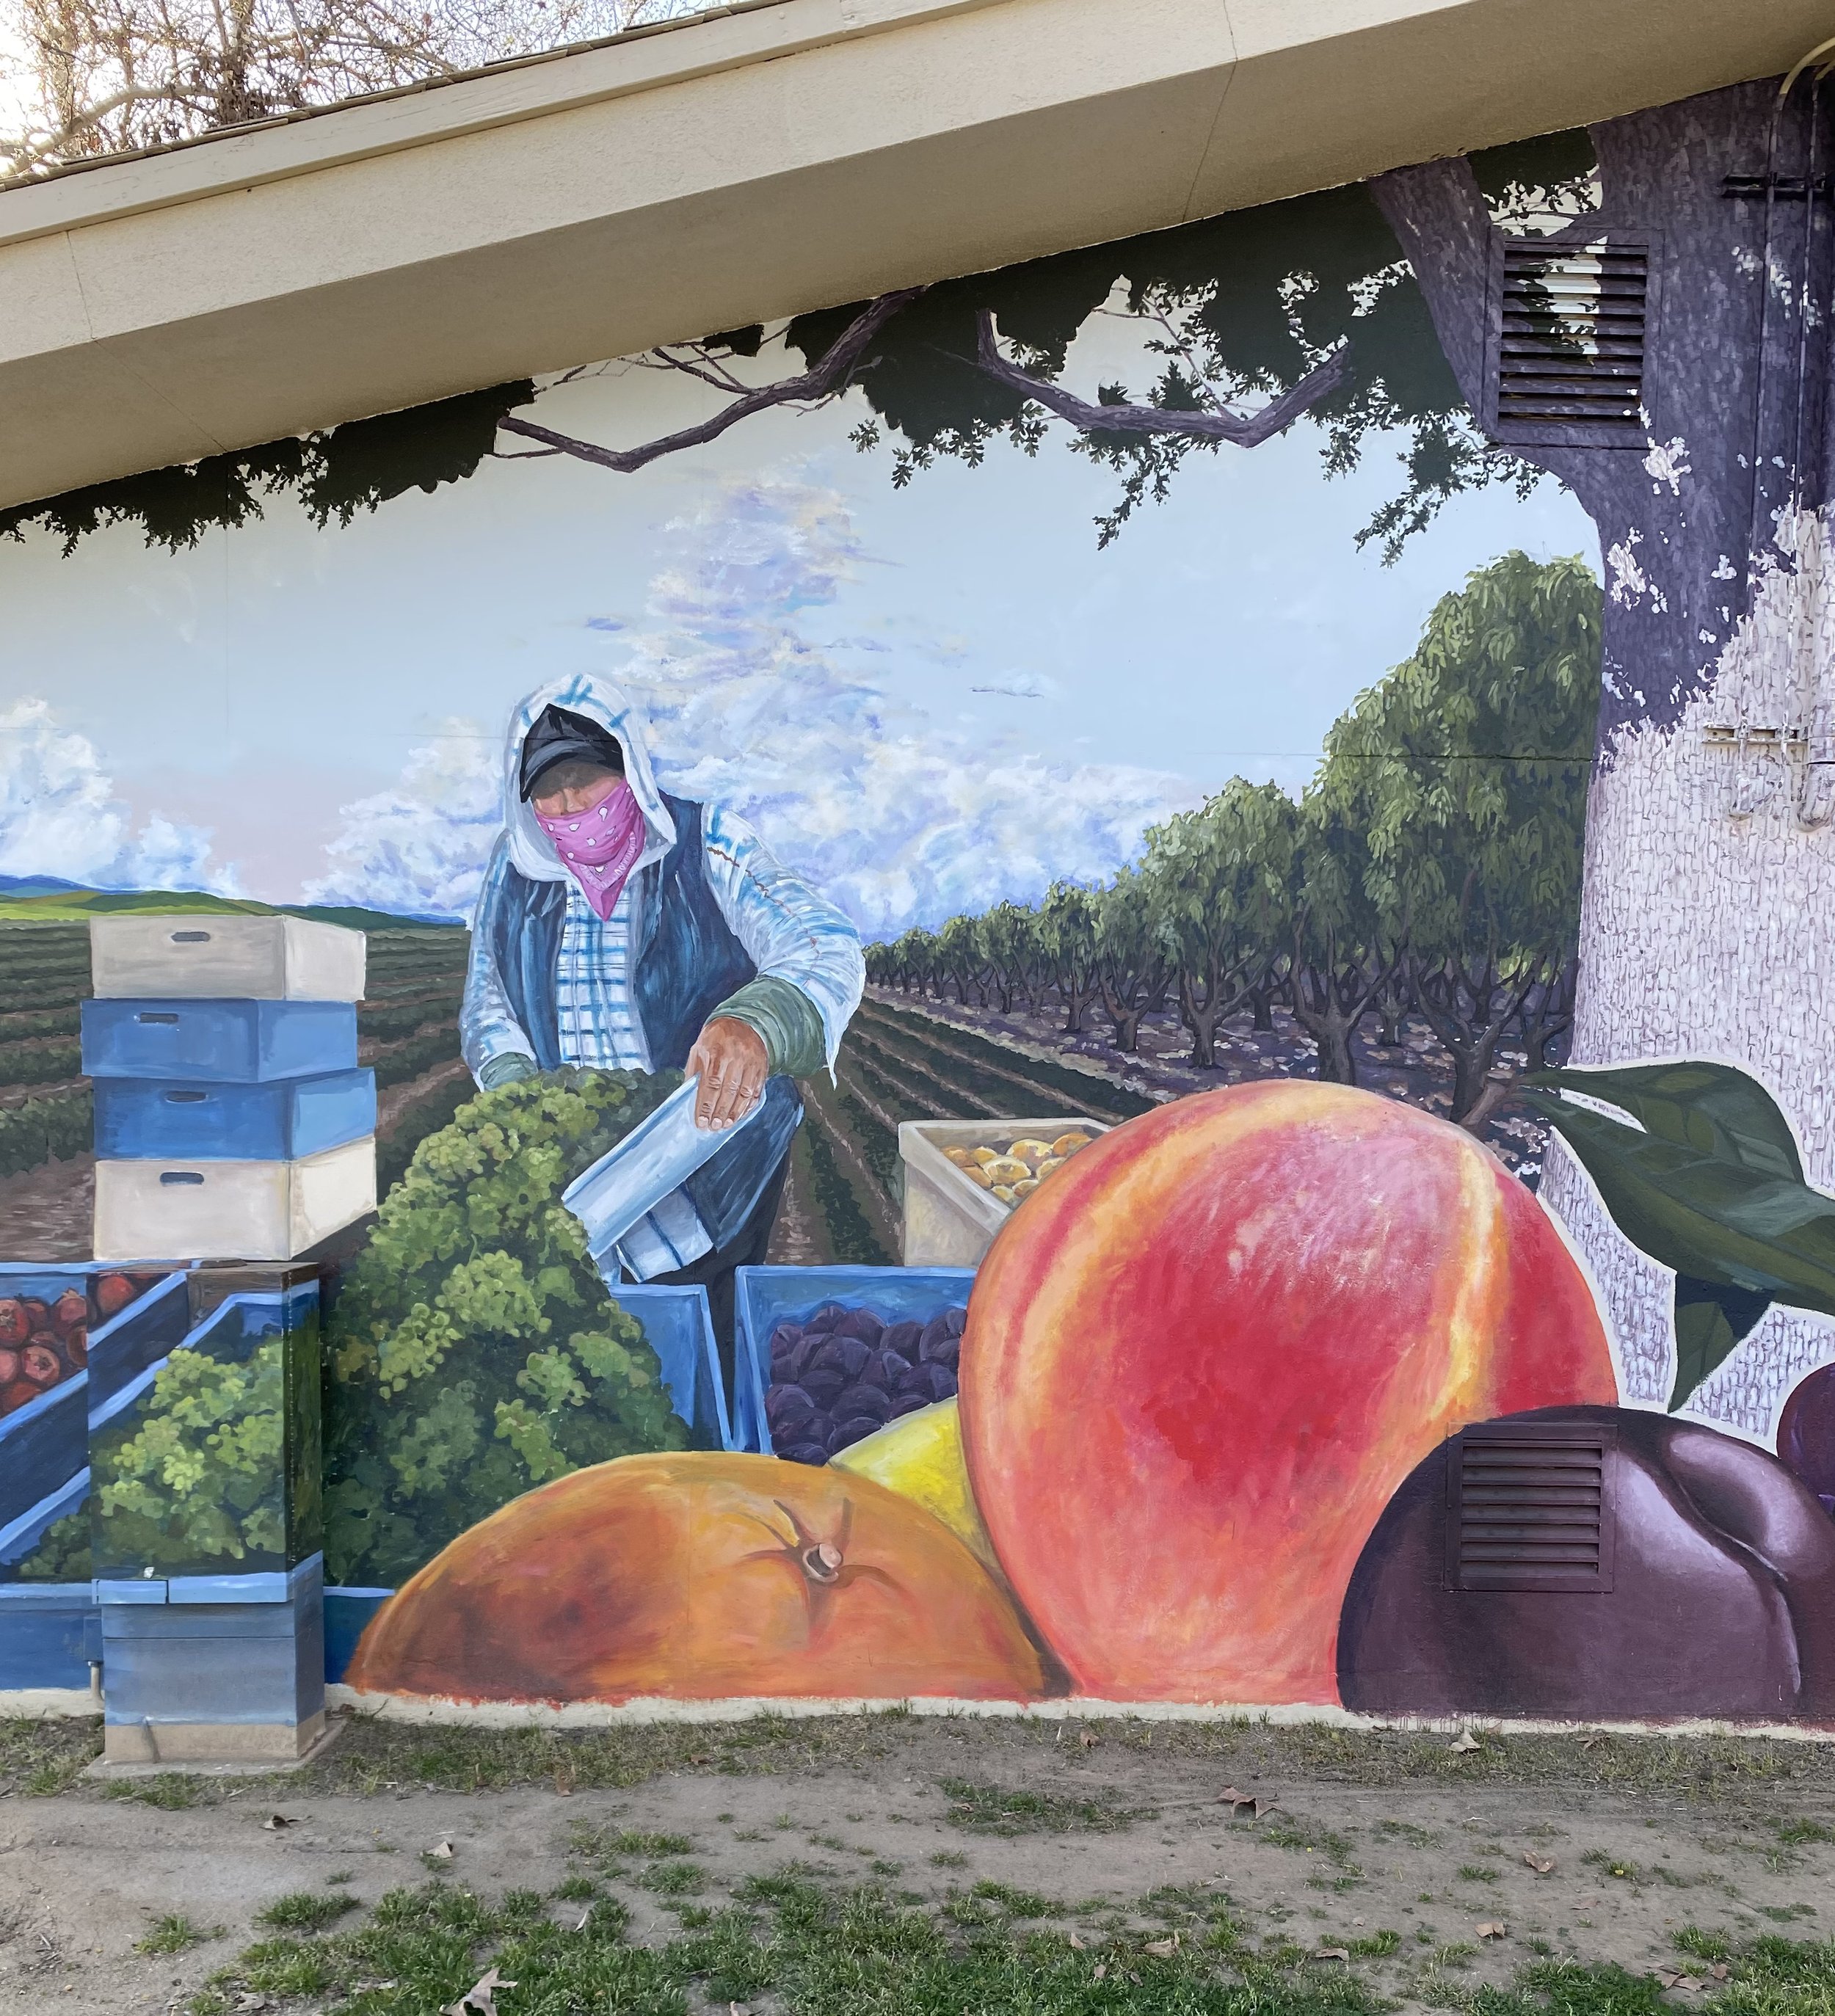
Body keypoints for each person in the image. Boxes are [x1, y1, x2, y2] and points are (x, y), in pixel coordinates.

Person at [461, 674, 865, 1364]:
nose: (568, 805)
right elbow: (487, 996)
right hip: (586, 1168)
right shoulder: (517, 868)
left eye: (586, 780)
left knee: (707, 1338)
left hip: (712, 1152)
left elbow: (821, 941)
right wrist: (518, 1096)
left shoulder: (708, 842)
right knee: (598, 1347)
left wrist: (759, 1020)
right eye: (549, 791)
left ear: (629, 769)